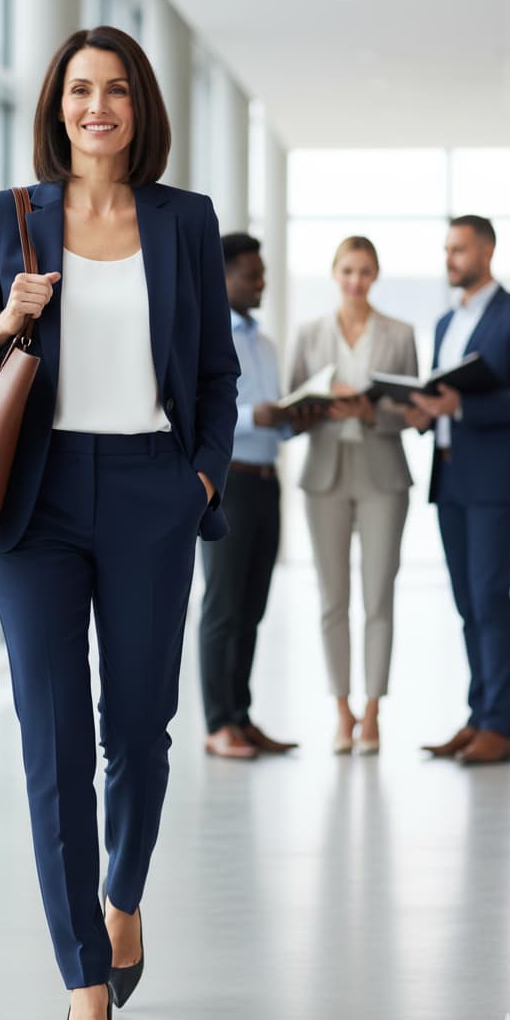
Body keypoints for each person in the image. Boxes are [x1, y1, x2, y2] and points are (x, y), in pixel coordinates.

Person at [0, 26, 239, 1020]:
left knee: (140, 729)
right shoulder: (8, 218)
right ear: (56, 107)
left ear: (139, 105)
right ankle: (82, 978)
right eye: (78, 90)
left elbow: (212, 372)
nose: (95, 106)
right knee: (53, 737)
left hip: (153, 488)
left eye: (114, 89)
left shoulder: (184, 221)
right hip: (38, 498)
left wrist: (199, 472)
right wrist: (1, 324)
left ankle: (122, 895)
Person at [408, 215, 510, 765]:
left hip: (496, 478)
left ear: (486, 251)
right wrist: (427, 413)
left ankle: (499, 728)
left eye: (459, 249)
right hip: (451, 474)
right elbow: (444, 393)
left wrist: (462, 406)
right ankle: (477, 717)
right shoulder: (446, 322)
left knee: (491, 599)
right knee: (468, 603)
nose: (450, 259)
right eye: (446, 249)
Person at [289, 236, 418, 755]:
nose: (356, 281)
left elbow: (411, 408)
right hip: (325, 473)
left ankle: (373, 712)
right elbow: (293, 409)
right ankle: (341, 711)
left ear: (376, 275)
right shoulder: (310, 333)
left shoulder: (400, 334)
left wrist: (369, 412)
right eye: (347, 271)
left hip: (383, 471)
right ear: (334, 273)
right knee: (333, 598)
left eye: (365, 272)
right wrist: (321, 407)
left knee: (378, 597)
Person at [198, 233, 300, 759]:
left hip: (266, 480)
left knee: (251, 608)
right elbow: (192, 413)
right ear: (225, 278)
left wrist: (291, 418)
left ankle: (241, 716)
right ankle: (218, 724)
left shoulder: (263, 342)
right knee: (222, 607)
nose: (261, 283)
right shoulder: (208, 335)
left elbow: (272, 422)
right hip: (228, 484)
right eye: (252, 275)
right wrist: (251, 415)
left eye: (262, 274)